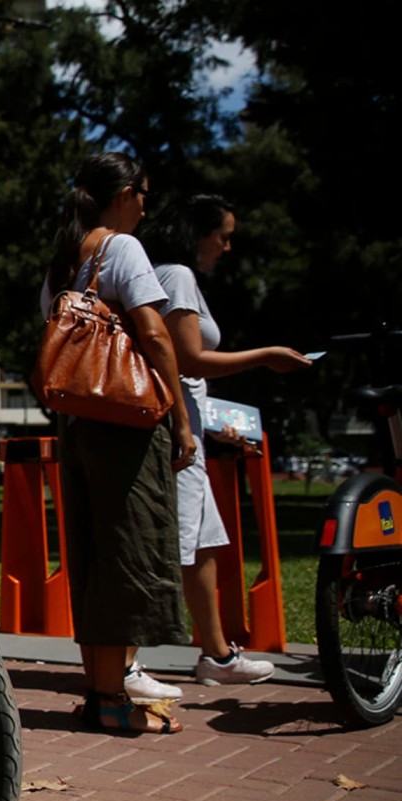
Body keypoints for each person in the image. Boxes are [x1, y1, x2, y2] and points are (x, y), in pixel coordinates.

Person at [42, 152, 196, 734]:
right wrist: (180, 417)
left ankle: (99, 693)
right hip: (126, 422)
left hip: (78, 422)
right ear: (124, 194)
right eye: (144, 195)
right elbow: (154, 334)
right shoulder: (122, 248)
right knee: (127, 554)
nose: (146, 207)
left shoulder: (63, 260)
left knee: (92, 556)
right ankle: (111, 701)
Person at [139, 194, 311, 687]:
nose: (227, 247)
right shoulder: (177, 276)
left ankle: (215, 654)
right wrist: (267, 356)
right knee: (171, 546)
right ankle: (125, 661)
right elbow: (189, 358)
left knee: (202, 543)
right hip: (175, 432)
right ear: (198, 234)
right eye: (223, 236)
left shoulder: (165, 275)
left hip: (186, 428)